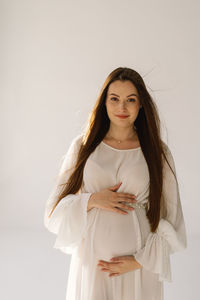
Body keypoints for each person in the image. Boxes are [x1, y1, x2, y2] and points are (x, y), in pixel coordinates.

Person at [44, 67, 187, 300]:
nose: (122, 107)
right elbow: (53, 212)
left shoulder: (157, 152)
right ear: (104, 103)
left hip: (138, 266)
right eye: (114, 99)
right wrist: (91, 200)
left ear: (141, 105)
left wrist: (140, 261)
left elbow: (173, 219)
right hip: (92, 262)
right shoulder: (83, 147)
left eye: (131, 100)